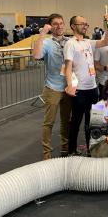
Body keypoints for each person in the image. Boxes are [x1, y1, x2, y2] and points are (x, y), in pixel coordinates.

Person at [64, 15, 108, 155]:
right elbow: (68, 67)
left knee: (93, 121)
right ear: (73, 26)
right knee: (76, 122)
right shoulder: (70, 44)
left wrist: (107, 25)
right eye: (82, 24)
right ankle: (71, 151)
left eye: (86, 24)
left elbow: (106, 41)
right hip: (79, 90)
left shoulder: (88, 42)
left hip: (93, 89)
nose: (85, 26)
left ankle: (92, 150)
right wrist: (70, 86)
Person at [33, 13, 71, 160]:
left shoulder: (69, 41)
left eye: (61, 23)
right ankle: (47, 153)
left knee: (66, 121)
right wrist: (42, 34)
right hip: (52, 88)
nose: (59, 26)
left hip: (68, 87)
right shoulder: (47, 42)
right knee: (49, 122)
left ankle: (65, 148)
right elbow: (36, 56)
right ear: (50, 26)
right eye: (55, 23)